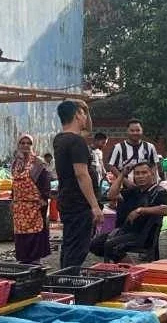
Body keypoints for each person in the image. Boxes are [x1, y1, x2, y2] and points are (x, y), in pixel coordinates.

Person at [52, 100, 102, 268]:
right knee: (77, 249)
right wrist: (94, 206)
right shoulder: (76, 142)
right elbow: (81, 175)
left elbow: (88, 130)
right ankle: (69, 279)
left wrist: (85, 108)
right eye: (83, 113)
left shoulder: (60, 139)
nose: (85, 117)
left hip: (67, 200)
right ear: (77, 116)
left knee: (70, 246)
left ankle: (64, 277)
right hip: (79, 203)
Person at [89, 161, 167, 261]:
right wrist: (122, 175)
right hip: (123, 231)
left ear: (152, 174)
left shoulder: (158, 191)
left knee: (111, 245)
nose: (140, 176)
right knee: (95, 244)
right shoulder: (134, 190)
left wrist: (141, 210)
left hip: (142, 235)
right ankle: (127, 264)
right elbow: (111, 195)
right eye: (137, 173)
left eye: (144, 173)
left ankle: (128, 267)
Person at [11, 134, 51, 264]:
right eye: (22, 143)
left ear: (33, 146)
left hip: (35, 205)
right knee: (21, 233)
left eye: (29, 143)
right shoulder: (16, 163)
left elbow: (45, 181)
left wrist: (44, 199)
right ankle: (23, 260)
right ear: (19, 145)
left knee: (35, 233)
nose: (25, 145)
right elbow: (14, 183)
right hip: (19, 206)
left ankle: (35, 261)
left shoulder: (38, 163)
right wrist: (13, 199)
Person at [91, 132, 108, 198]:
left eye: (105, 143)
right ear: (96, 141)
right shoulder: (87, 150)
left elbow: (101, 163)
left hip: (99, 178)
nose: (104, 145)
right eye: (103, 143)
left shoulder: (99, 152)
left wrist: (104, 171)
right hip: (91, 179)